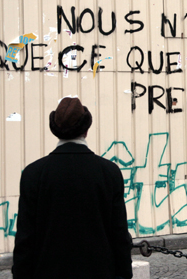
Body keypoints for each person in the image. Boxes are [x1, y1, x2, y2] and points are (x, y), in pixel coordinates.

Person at [12, 97, 132, 279]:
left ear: (55, 130)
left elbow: (25, 239)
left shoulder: (33, 174)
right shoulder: (109, 172)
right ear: (86, 129)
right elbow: (119, 235)